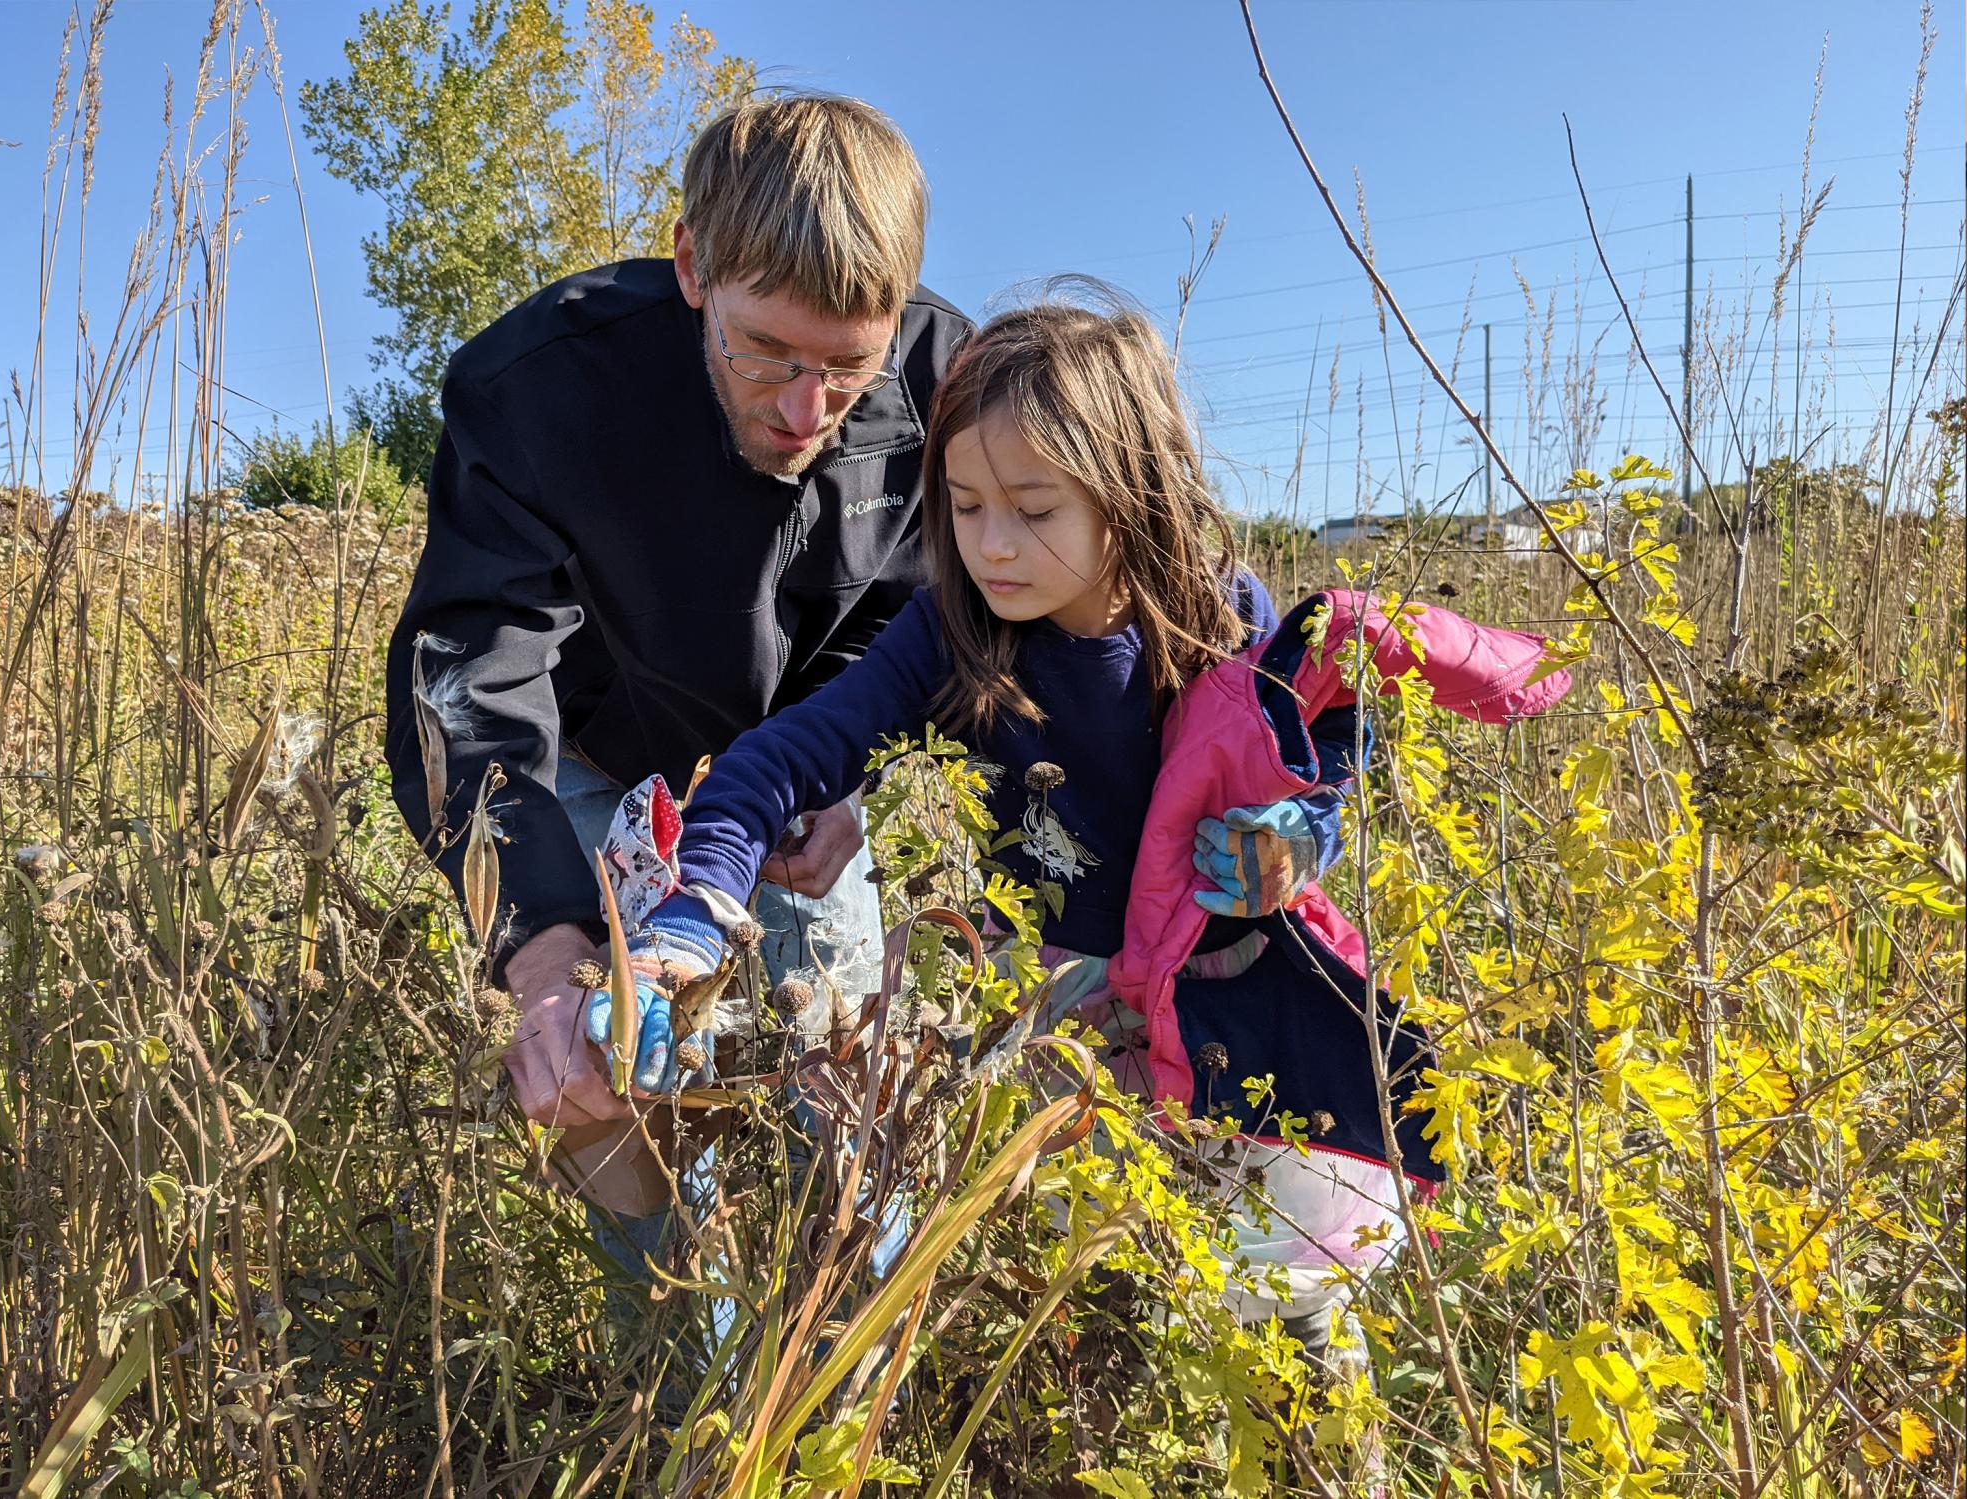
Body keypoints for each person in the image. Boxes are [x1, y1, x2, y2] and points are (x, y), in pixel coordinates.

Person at [595, 291, 1571, 1423]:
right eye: (962, 504)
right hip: (1058, 1014)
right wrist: (689, 912)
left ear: (1130, 492)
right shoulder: (953, 629)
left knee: (1288, 1309)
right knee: (1090, 1289)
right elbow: (779, 760)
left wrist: (1294, 846)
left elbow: (1314, 770)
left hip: (1229, 1011)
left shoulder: (1225, 621)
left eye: (1032, 506)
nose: (991, 542)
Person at [383, 94, 973, 1229]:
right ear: (693, 263)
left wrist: (841, 769)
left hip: (801, 767)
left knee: (844, 1082)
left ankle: (847, 1347)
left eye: (846, 367)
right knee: (614, 1070)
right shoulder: (538, 390)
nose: (805, 410)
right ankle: (682, 1366)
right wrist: (545, 945)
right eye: (765, 353)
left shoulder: (951, 385)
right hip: (603, 754)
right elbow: (468, 675)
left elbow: (914, 616)